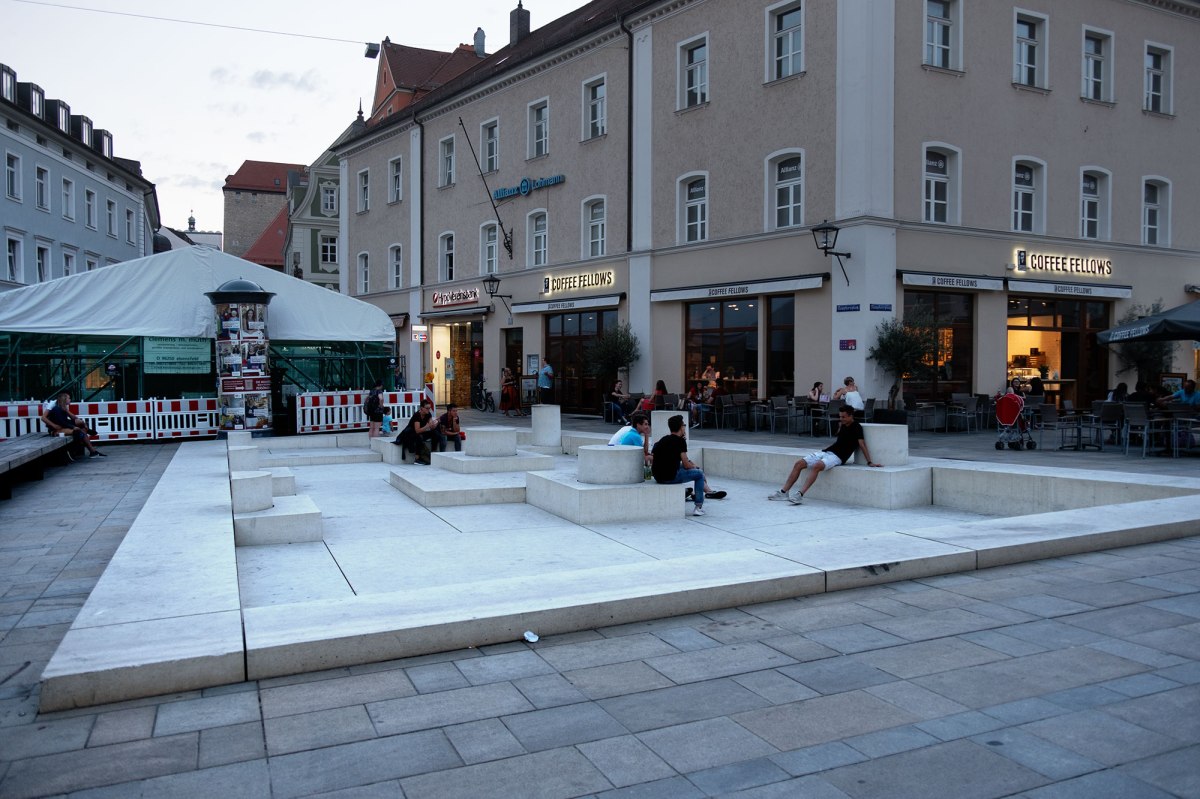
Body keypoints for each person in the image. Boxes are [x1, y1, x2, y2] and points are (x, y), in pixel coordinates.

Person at [768, 407, 880, 505]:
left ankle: (800, 495)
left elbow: (862, 444)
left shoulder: (857, 427)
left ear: (851, 416)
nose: (841, 419)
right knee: (799, 463)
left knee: (817, 466)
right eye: (840, 416)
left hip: (838, 457)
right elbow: (839, 441)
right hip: (827, 452)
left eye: (844, 417)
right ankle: (784, 492)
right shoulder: (843, 425)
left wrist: (869, 462)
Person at [650, 414, 725, 517]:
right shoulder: (680, 441)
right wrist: (695, 468)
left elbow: (658, 455)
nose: (684, 427)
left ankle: (703, 492)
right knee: (699, 474)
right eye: (684, 425)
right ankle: (698, 507)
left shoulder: (663, 439)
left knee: (694, 470)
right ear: (681, 427)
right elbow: (686, 464)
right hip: (670, 477)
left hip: (658, 476)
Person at [41, 391, 105, 459]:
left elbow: (73, 418)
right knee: (80, 431)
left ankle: (91, 448)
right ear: (64, 399)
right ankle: (82, 450)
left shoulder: (63, 406)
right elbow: (46, 418)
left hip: (63, 423)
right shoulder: (54, 406)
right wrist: (55, 426)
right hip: (56, 427)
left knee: (81, 424)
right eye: (69, 398)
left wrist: (67, 411)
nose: (70, 399)